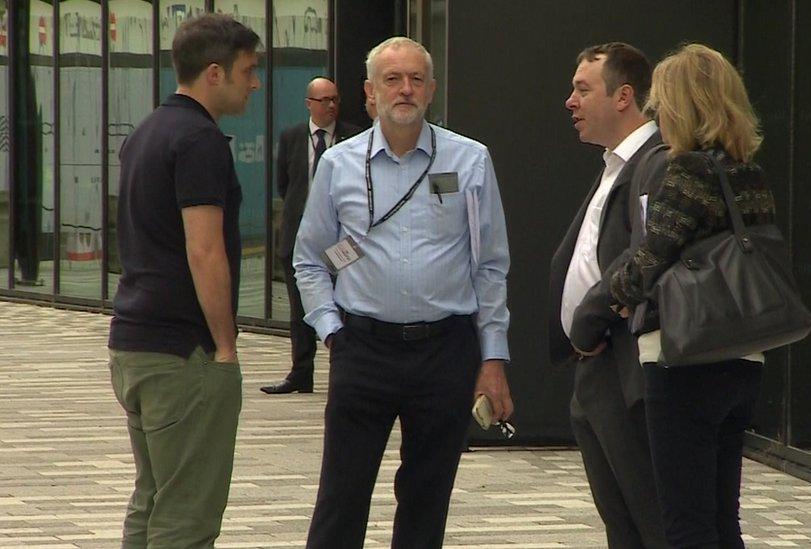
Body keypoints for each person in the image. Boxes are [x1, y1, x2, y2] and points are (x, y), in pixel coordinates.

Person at [294, 36, 514, 548]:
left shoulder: (470, 160)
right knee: (341, 499)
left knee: (426, 499)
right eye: (393, 79)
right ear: (370, 91)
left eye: (416, 79)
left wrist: (493, 357)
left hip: (446, 353)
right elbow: (310, 259)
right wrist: (332, 333)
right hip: (362, 349)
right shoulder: (338, 165)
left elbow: (490, 268)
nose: (406, 89)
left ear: (432, 89)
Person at [577, 43, 775, 548]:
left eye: (662, 102)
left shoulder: (687, 170)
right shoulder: (747, 170)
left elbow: (648, 259)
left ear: (681, 104)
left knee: (684, 522)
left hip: (682, 360)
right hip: (743, 356)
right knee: (722, 518)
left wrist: (609, 303)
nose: (655, 113)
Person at [106, 14, 260, 547]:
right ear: (214, 73)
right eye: (248, 70)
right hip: (182, 351)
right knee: (186, 517)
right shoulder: (199, 140)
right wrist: (224, 345)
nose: (255, 83)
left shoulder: (147, 131)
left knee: (153, 500)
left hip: (134, 342)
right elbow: (204, 248)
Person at [549, 42, 668, 549]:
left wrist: (589, 320)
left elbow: (643, 260)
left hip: (626, 372)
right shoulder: (613, 164)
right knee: (622, 526)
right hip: (595, 372)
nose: (569, 102)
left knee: (653, 522)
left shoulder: (654, 163)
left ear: (624, 96)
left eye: (582, 89)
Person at [261, 77, 362, 395]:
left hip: (340, 243)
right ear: (309, 104)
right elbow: (285, 185)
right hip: (299, 239)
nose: (331, 105)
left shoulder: (353, 138)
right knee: (299, 309)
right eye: (323, 100)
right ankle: (300, 373)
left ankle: (344, 373)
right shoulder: (291, 137)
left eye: (335, 99)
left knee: (342, 305)